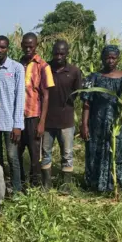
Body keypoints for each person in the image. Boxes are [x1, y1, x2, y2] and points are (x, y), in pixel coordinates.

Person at [80, 45, 122, 192]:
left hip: (119, 124)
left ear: (118, 59)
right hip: (97, 124)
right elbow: (86, 103)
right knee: (96, 151)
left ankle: (114, 185)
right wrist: (84, 125)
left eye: (113, 58)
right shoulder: (93, 77)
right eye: (107, 57)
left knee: (116, 152)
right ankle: (95, 185)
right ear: (102, 58)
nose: (110, 60)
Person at [0, 35, 25, 193]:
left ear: (8, 48)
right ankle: (0, 189)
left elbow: (20, 98)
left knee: (12, 157)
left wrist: (18, 125)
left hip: (10, 123)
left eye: (3, 47)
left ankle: (16, 189)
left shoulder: (16, 68)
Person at [42, 40, 82, 192]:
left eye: (62, 53)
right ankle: (46, 184)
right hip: (47, 120)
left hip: (66, 120)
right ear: (52, 52)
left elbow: (77, 93)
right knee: (46, 153)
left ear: (67, 54)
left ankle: (66, 185)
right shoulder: (45, 68)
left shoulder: (74, 71)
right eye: (56, 53)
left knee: (67, 154)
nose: (58, 56)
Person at [19, 32, 55, 187]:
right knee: (17, 152)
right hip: (19, 117)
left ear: (36, 46)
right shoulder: (18, 64)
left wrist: (42, 122)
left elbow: (46, 96)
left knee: (35, 154)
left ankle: (35, 185)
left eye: (31, 46)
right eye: (25, 46)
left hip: (34, 116)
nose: (28, 49)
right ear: (21, 46)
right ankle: (20, 182)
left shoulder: (43, 66)